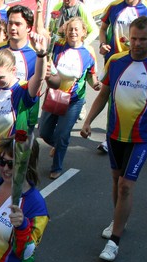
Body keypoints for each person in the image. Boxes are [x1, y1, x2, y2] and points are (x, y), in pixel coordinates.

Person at [80, 17, 147, 262]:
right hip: (114, 133)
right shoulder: (115, 61)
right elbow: (104, 94)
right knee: (116, 181)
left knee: (126, 186)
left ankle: (114, 241)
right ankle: (118, 220)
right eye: (133, 38)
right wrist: (88, 120)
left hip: (141, 137)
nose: (137, 44)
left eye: (142, 39)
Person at [39, 17, 100, 179]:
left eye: (76, 29)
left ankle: (56, 167)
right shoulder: (58, 45)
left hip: (73, 100)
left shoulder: (88, 53)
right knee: (44, 132)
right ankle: (58, 145)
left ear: (83, 32)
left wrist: (96, 84)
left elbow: (91, 75)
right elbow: (43, 33)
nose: (73, 32)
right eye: (70, 29)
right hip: (55, 95)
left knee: (62, 134)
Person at [96, 0, 147, 154]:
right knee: (113, 98)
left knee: (134, 97)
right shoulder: (114, 6)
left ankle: (135, 137)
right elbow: (103, 28)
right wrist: (102, 44)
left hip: (139, 59)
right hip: (116, 60)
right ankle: (110, 137)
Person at [0, 36, 48, 152]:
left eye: (0, 77)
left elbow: (39, 78)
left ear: (13, 70)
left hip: (10, 157)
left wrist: (41, 55)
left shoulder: (22, 89)